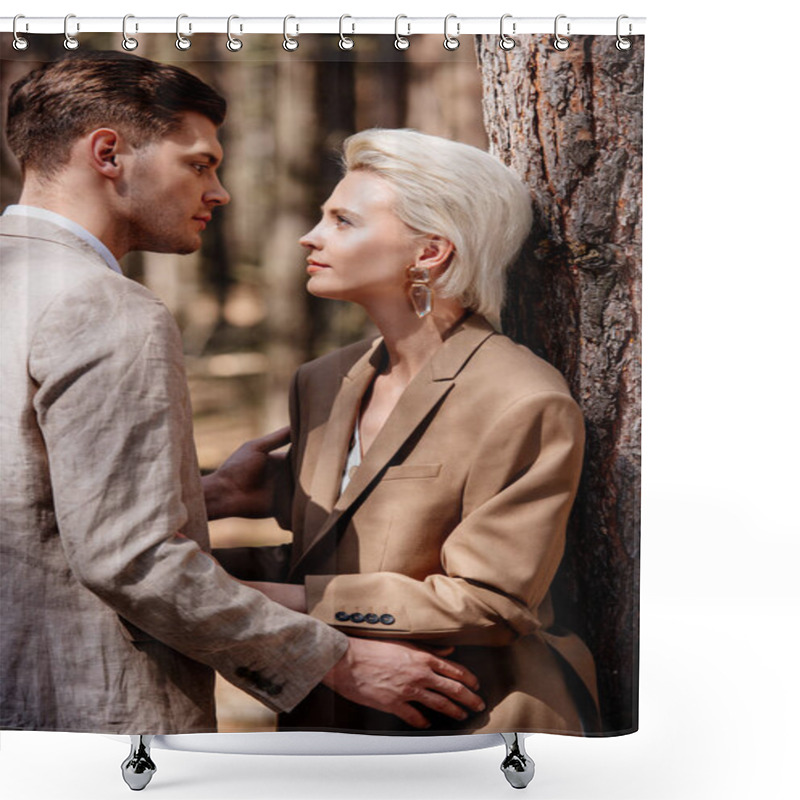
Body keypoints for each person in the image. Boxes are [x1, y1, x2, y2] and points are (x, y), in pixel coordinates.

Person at [0, 55, 482, 734]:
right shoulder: (108, 308)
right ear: (108, 153)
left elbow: (28, 496)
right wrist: (335, 662)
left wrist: (206, 496)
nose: (219, 191)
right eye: (199, 163)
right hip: (80, 719)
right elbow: (129, 560)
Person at [204, 128, 600, 734]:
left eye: (343, 220)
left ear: (430, 252)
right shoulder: (322, 381)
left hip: (470, 721)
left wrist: (262, 600)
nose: (311, 236)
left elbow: (493, 600)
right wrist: (202, 532)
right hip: (329, 716)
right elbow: (331, 560)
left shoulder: (523, 399)